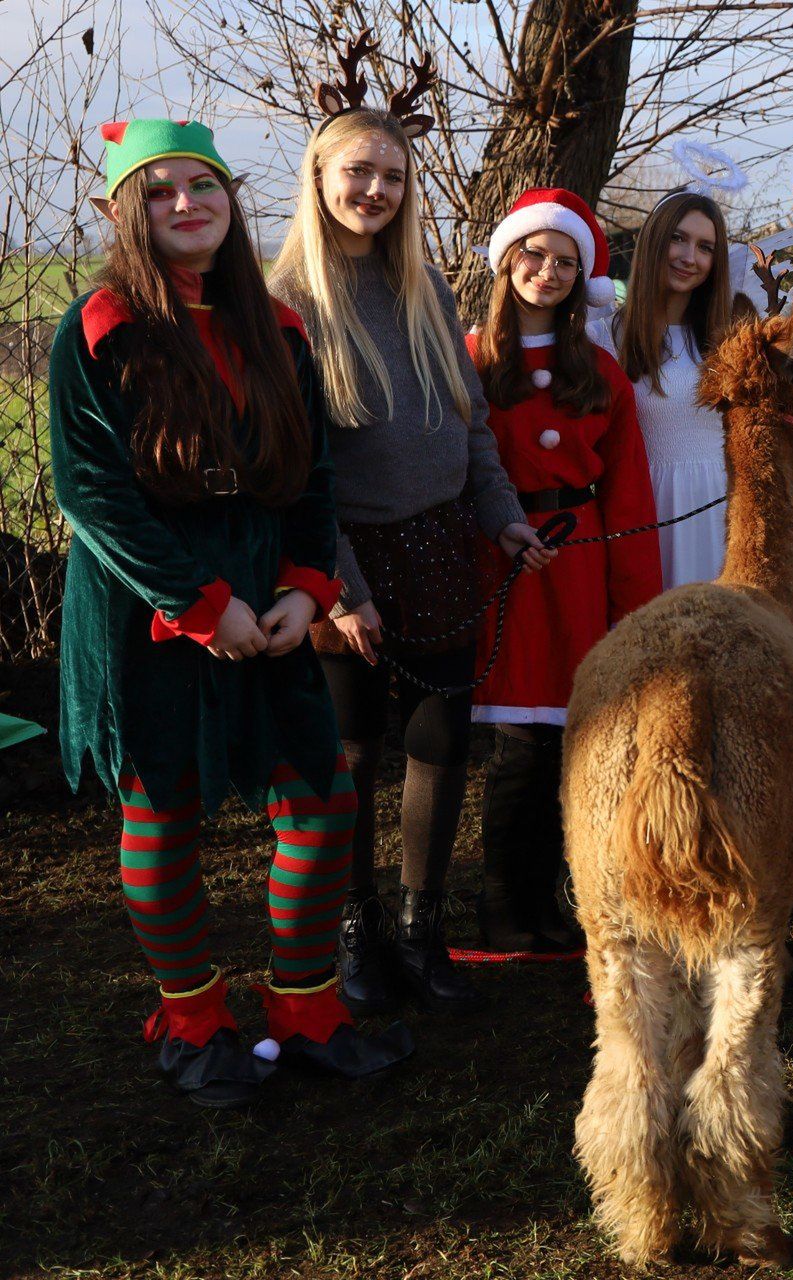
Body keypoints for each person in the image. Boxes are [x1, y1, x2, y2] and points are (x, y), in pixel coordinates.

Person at [48, 118, 409, 1106]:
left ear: (228, 199)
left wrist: (304, 589)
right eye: (158, 191)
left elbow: (312, 476)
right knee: (162, 809)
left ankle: (304, 1009)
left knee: (320, 802)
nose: (183, 205)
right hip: (144, 605)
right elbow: (89, 491)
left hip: (271, 596)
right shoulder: (97, 326)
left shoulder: (279, 328)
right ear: (130, 209)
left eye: (199, 186)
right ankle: (195, 1020)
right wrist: (202, 605)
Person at [271, 95, 556, 1001]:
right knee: (354, 749)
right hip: (340, 556)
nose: (376, 190)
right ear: (320, 176)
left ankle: (419, 931)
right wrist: (343, 591)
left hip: (440, 545)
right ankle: (356, 939)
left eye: (393, 177)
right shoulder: (286, 303)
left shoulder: (426, 286)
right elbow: (294, 471)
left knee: (439, 743)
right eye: (359, 171)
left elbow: (469, 429)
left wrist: (501, 512)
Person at [471, 188, 663, 950]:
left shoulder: (601, 373)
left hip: (578, 558)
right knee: (517, 738)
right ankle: (499, 907)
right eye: (534, 254)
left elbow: (627, 489)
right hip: (502, 560)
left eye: (564, 262)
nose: (546, 272)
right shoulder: (470, 358)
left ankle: (546, 903)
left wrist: (634, 600)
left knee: (570, 739)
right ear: (508, 260)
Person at [616, 190, 748, 589]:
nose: (689, 257)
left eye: (705, 247)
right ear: (655, 239)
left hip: (718, 508)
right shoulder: (608, 335)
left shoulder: (729, 338)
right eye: (678, 238)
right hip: (643, 507)